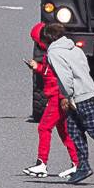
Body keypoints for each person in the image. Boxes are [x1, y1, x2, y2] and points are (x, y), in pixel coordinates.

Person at [40, 23, 94, 185]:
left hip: (78, 97)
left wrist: (67, 96)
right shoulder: (74, 48)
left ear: (48, 39)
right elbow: (84, 67)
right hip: (87, 91)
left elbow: (65, 77)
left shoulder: (54, 53)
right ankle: (83, 166)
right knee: (75, 131)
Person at [22, 23, 79, 178]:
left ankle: (41, 163)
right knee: (64, 132)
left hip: (57, 96)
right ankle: (77, 162)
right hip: (56, 95)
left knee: (44, 127)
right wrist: (37, 67)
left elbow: (61, 77)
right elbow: (49, 73)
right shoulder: (51, 54)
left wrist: (62, 97)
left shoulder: (54, 54)